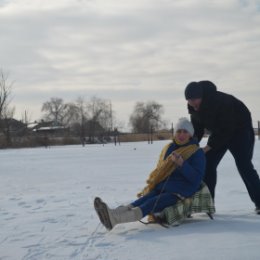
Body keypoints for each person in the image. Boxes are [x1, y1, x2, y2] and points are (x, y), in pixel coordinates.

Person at [94, 118, 206, 230]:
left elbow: (196, 179)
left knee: (150, 204)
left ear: (190, 135)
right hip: (163, 186)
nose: (181, 135)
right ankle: (112, 213)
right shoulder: (169, 148)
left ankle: (115, 220)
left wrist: (182, 164)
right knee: (141, 201)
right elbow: (160, 170)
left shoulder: (196, 152)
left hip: (180, 191)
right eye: (179, 131)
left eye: (185, 132)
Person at [184, 80, 260, 214]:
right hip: (220, 133)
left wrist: (208, 147)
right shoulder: (194, 108)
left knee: (244, 165)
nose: (193, 103)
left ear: (202, 96)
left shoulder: (220, 101)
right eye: (190, 101)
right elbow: (197, 129)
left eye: (195, 100)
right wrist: (190, 146)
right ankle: (207, 204)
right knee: (208, 163)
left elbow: (226, 129)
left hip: (240, 131)